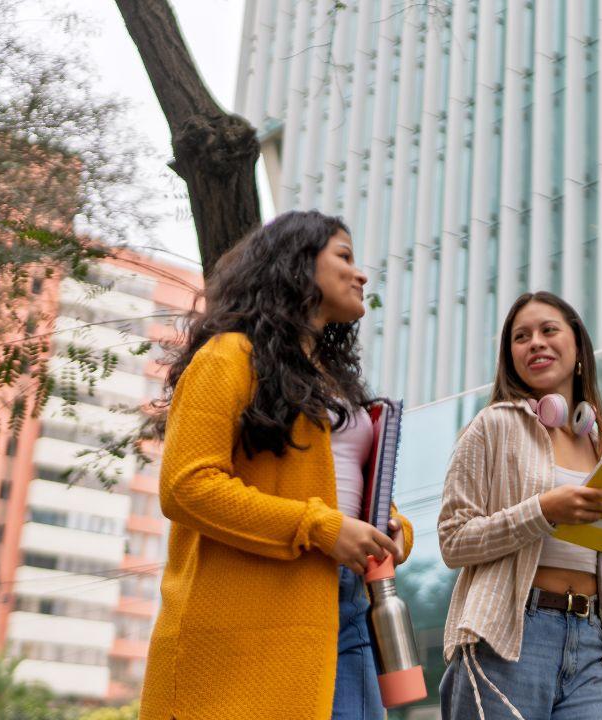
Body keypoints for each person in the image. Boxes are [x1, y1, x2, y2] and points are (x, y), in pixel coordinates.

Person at [140, 210, 414, 720]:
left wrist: (392, 531)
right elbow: (185, 486)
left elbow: (349, 490)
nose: (361, 274)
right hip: (253, 620)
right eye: (345, 257)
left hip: (347, 605)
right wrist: (321, 527)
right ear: (298, 264)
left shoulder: (335, 384)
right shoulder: (228, 356)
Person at [438, 291, 602, 719]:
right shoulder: (493, 425)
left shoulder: (601, 440)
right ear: (511, 357)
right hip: (509, 638)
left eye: (548, 330)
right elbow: (453, 540)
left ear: (577, 345)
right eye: (521, 337)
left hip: (591, 641)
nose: (536, 342)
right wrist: (543, 511)